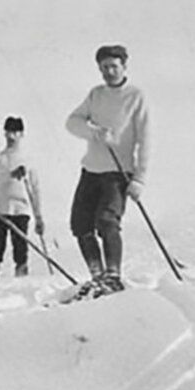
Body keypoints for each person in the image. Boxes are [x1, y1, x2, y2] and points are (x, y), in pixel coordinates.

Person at [64, 44, 150, 293]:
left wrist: (140, 179)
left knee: (107, 221)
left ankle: (113, 276)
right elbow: (72, 122)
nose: (109, 71)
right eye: (104, 67)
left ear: (124, 66)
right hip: (91, 170)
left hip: (118, 172)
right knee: (80, 225)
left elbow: (146, 140)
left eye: (114, 66)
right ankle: (97, 276)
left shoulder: (136, 97)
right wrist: (94, 132)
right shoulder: (96, 94)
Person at [0, 116, 44, 279]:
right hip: (0, 209)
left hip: (21, 210)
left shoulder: (28, 159)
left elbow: (35, 188)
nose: (11, 136)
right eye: (8, 132)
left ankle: (21, 281)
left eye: (15, 132)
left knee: (20, 250)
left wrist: (38, 216)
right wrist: (10, 175)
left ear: (21, 134)